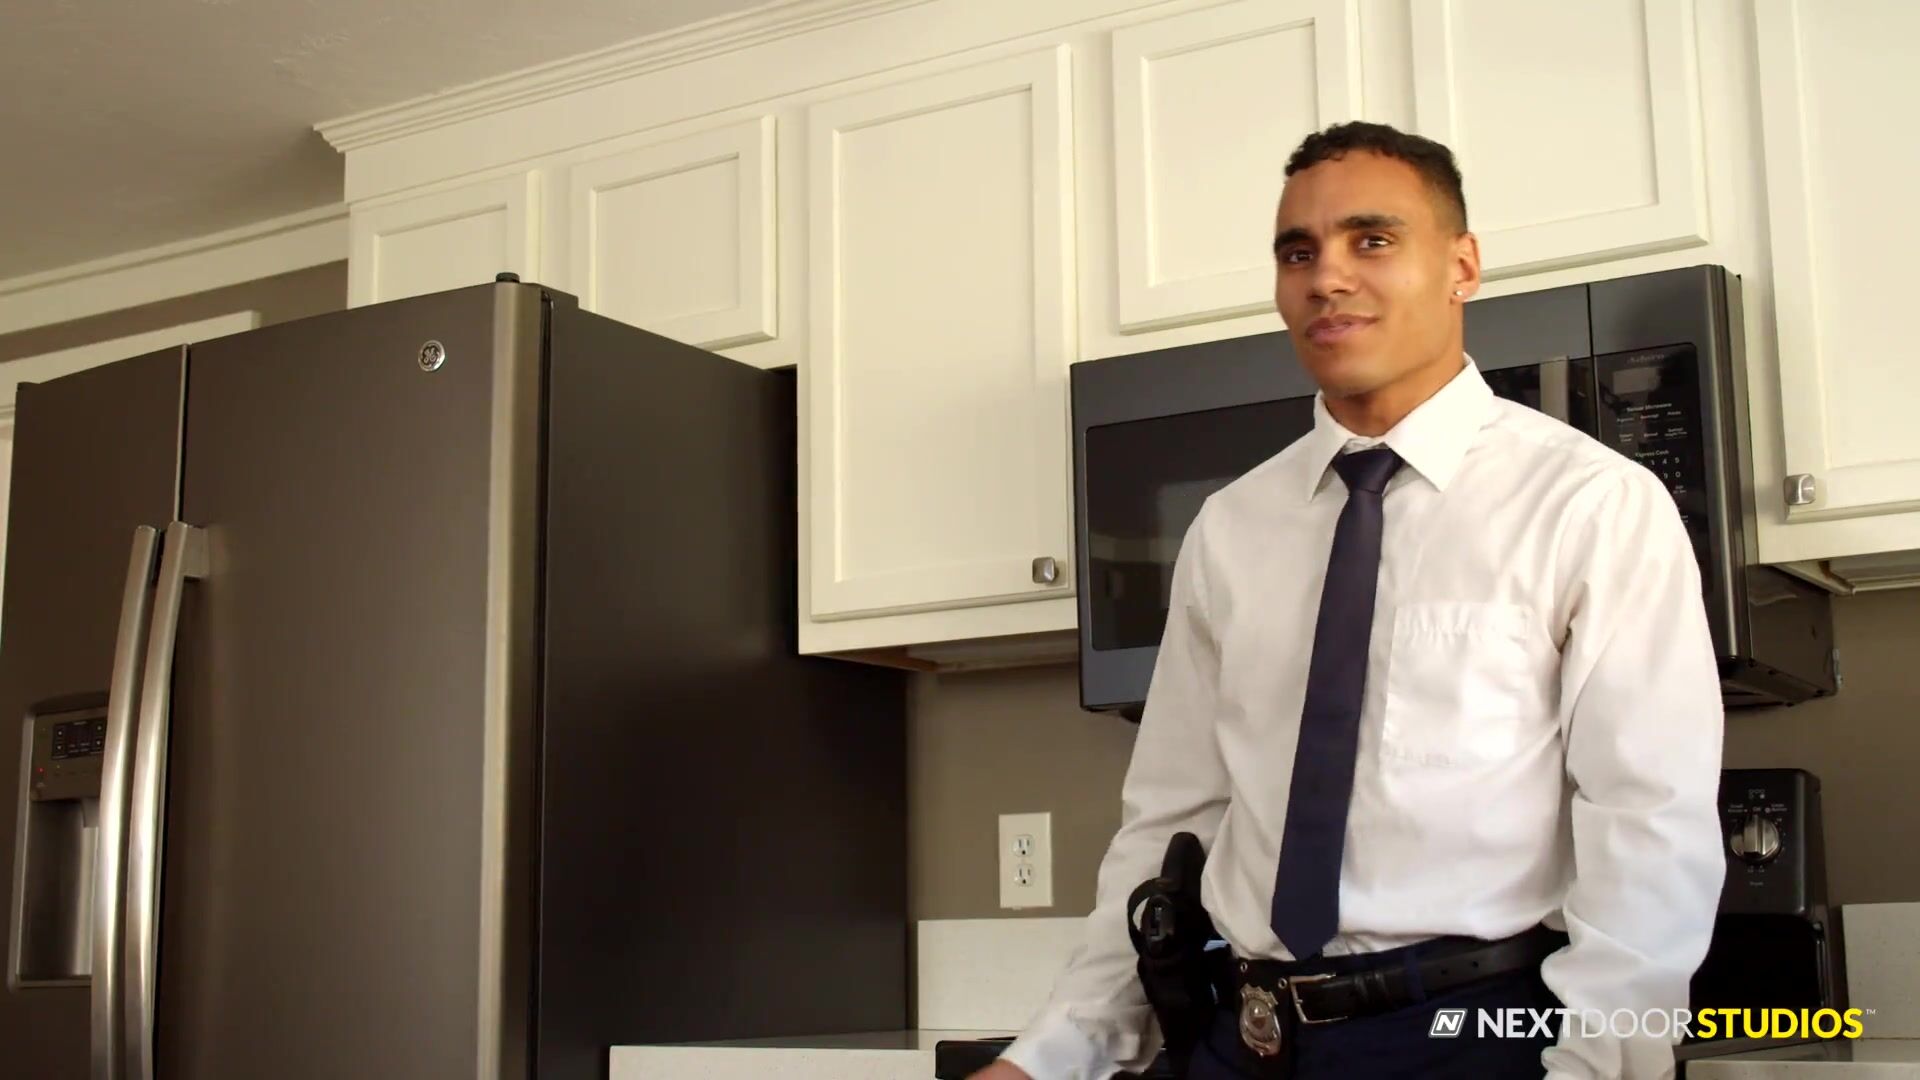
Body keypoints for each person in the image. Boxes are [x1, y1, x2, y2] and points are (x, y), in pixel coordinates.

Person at [968, 121, 1727, 1080]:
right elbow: (1169, 825)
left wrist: (1601, 1065)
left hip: (1473, 1037)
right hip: (1239, 1038)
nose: (1327, 277)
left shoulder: (1590, 504)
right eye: (1298, 252)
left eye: (1372, 240)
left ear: (1461, 266)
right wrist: (1051, 1056)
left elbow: (1647, 821)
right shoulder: (1231, 528)